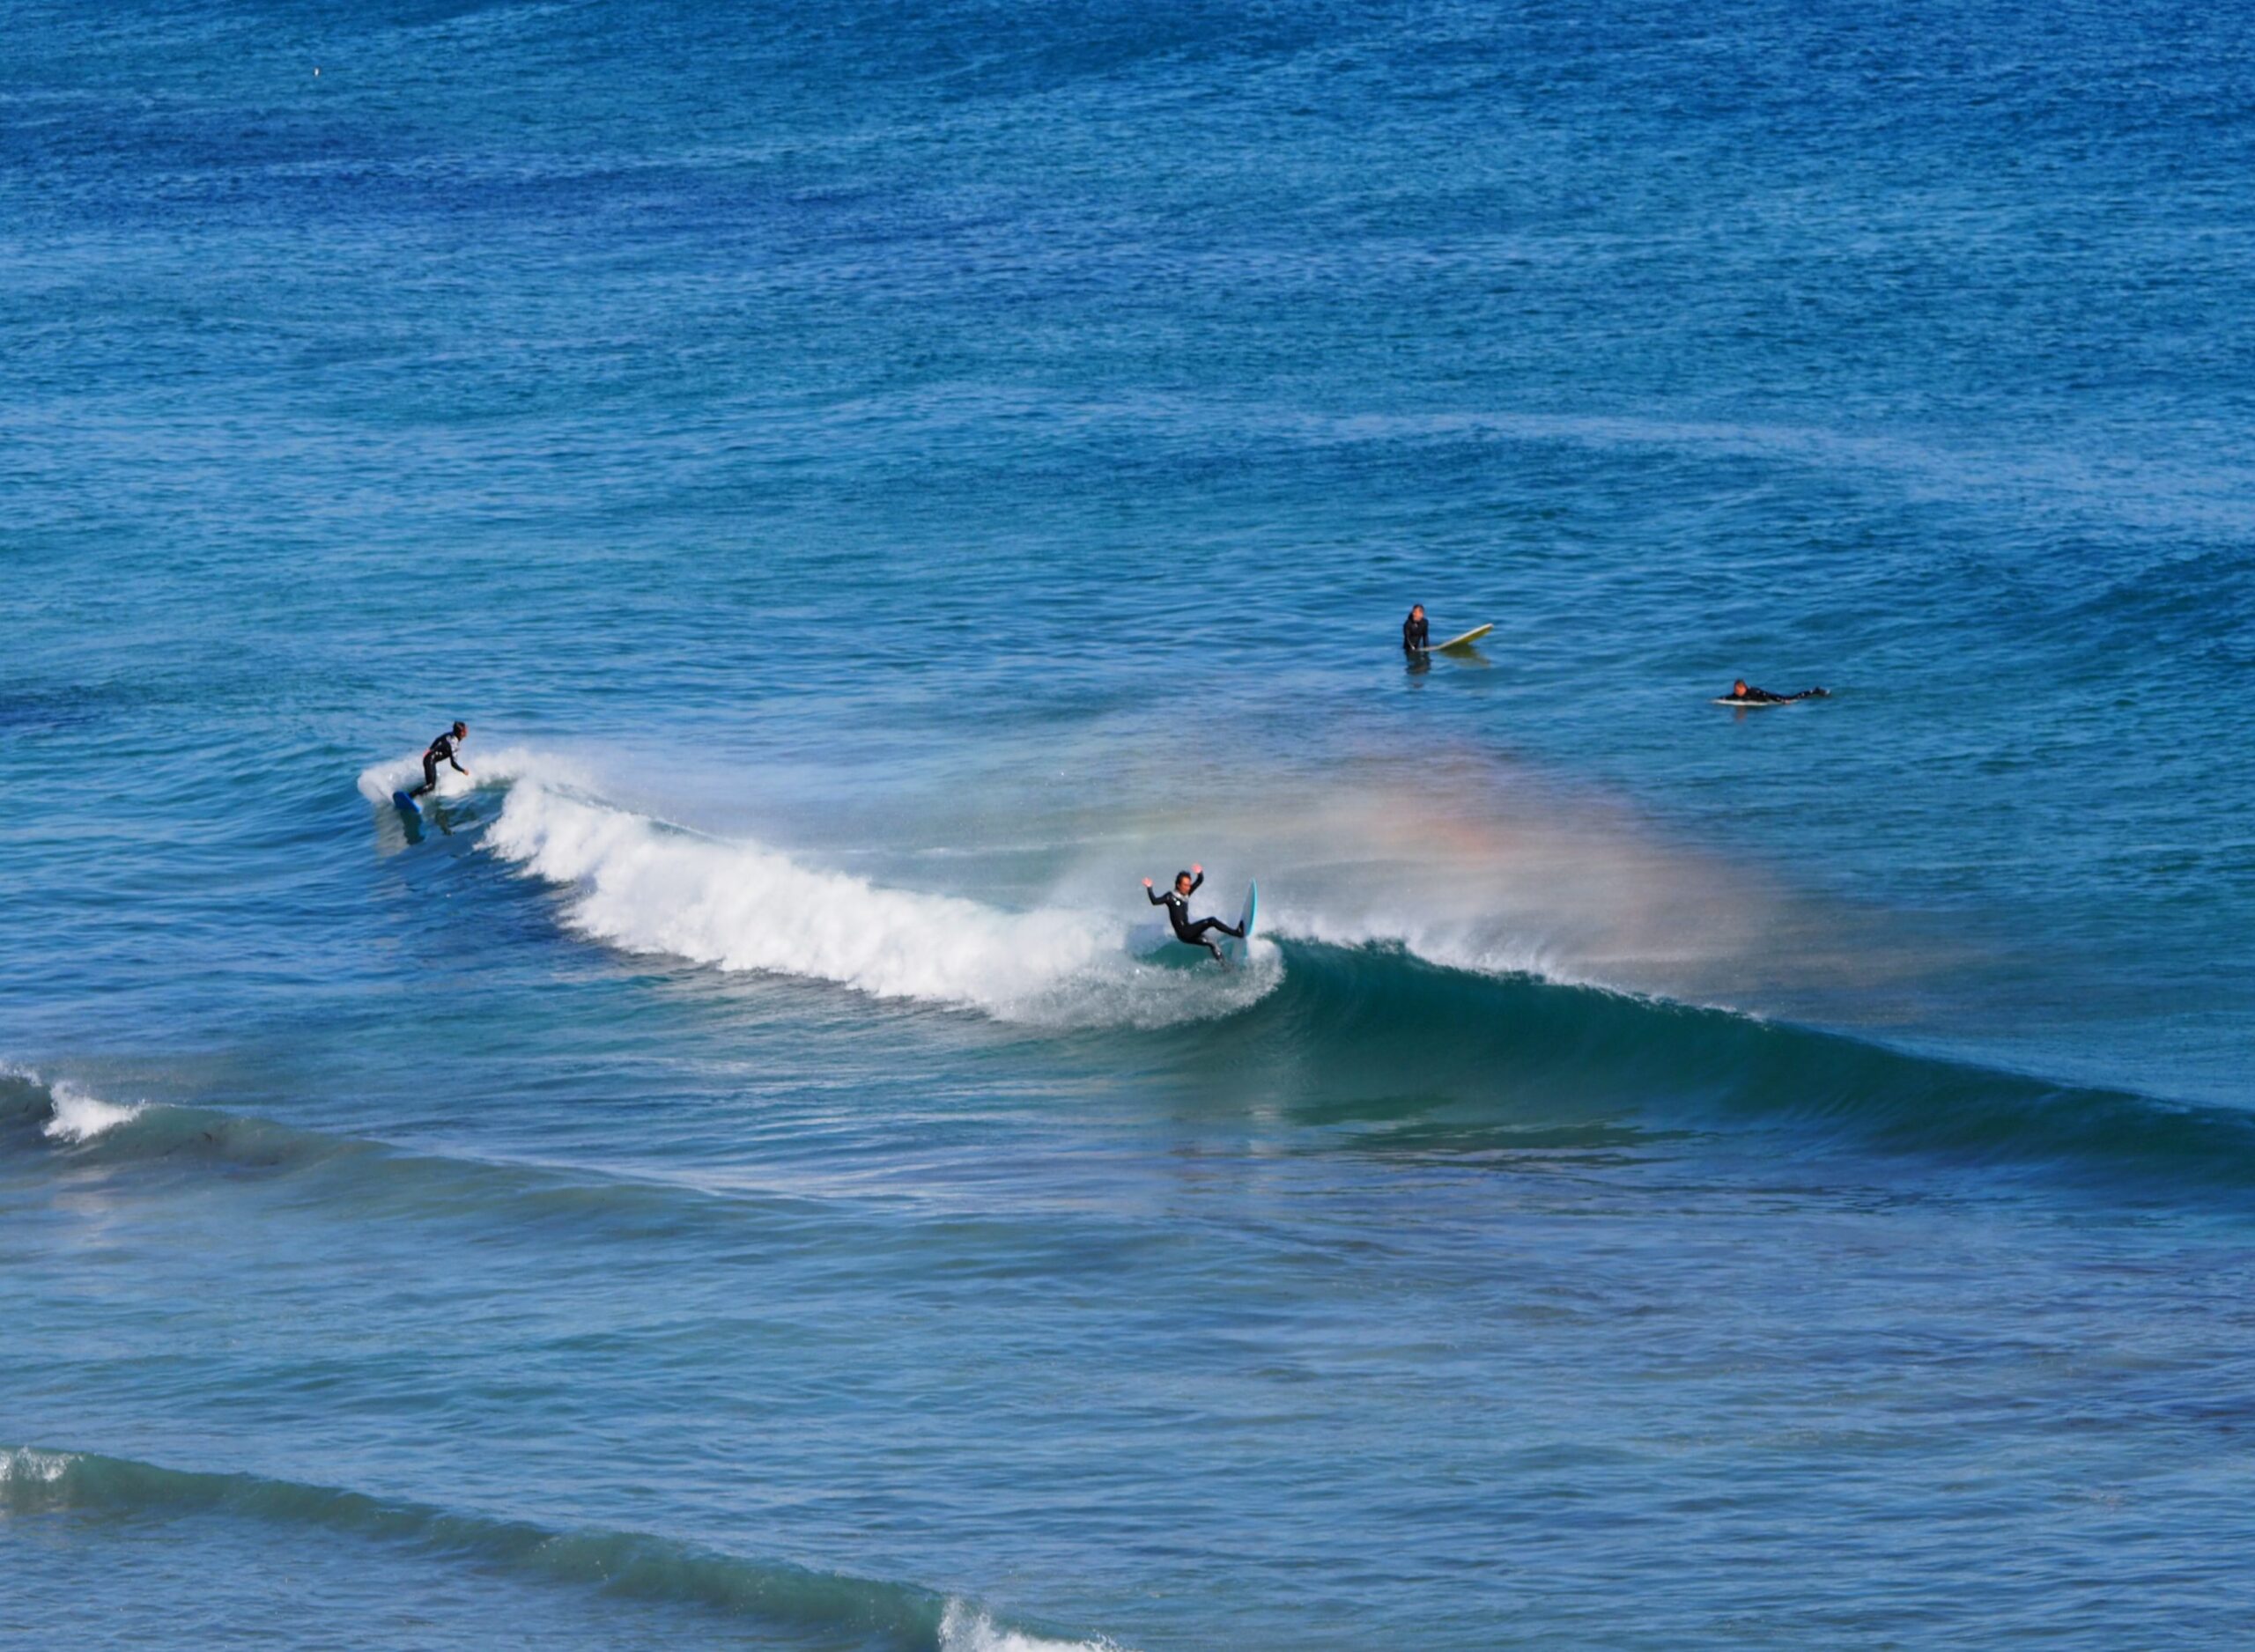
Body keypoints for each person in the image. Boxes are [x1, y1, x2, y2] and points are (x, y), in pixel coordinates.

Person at [1143, 865, 1246, 961]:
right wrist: (1149, 888)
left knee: (1212, 943)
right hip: (1184, 932)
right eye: (1185, 885)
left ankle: (1226, 967)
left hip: (1187, 932)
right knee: (1211, 921)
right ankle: (1236, 933)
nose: (1188, 887)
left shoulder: (1186, 894)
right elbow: (1155, 901)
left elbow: (1199, 881)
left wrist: (1200, 872)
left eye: (1189, 885)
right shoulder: (1170, 897)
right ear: (1178, 885)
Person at [410, 721, 470, 797]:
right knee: (431, 786)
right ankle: (410, 796)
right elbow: (453, 764)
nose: (467, 730)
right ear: (461, 732)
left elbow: (438, 739)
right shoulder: (454, 744)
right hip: (430, 760)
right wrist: (463, 770)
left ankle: (413, 797)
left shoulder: (450, 734)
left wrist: (430, 749)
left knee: (431, 786)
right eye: (466, 729)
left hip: (429, 759)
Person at [1722, 680, 1827, 704]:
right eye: (1735, 689)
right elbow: (1729, 697)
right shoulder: (1737, 694)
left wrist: (1782, 701)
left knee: (1795, 697)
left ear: (1743, 688)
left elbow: (1768, 695)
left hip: (1774, 698)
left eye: (1737, 689)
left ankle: (1815, 691)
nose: (1735, 691)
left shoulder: (1754, 692)